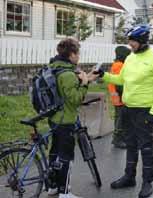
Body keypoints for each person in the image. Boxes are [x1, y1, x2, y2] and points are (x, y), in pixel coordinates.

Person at [97, 25, 153, 198]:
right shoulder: (130, 58)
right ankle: (129, 177)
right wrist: (103, 75)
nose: (130, 44)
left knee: (146, 147)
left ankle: (147, 183)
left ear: (143, 41)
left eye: (133, 41)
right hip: (128, 109)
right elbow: (121, 79)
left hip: (145, 110)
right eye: (129, 41)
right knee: (130, 144)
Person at [47, 38, 98, 198]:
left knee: (54, 153)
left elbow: (64, 90)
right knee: (66, 157)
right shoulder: (68, 74)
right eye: (78, 53)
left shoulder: (55, 67)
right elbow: (75, 98)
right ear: (72, 54)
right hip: (66, 120)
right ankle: (65, 192)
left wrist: (86, 78)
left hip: (54, 117)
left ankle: (53, 186)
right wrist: (84, 84)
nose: (79, 56)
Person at [108, 46, 131, 149]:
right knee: (121, 119)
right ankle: (117, 139)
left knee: (118, 117)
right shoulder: (120, 65)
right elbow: (119, 83)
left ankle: (119, 137)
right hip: (119, 96)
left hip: (115, 95)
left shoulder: (115, 64)